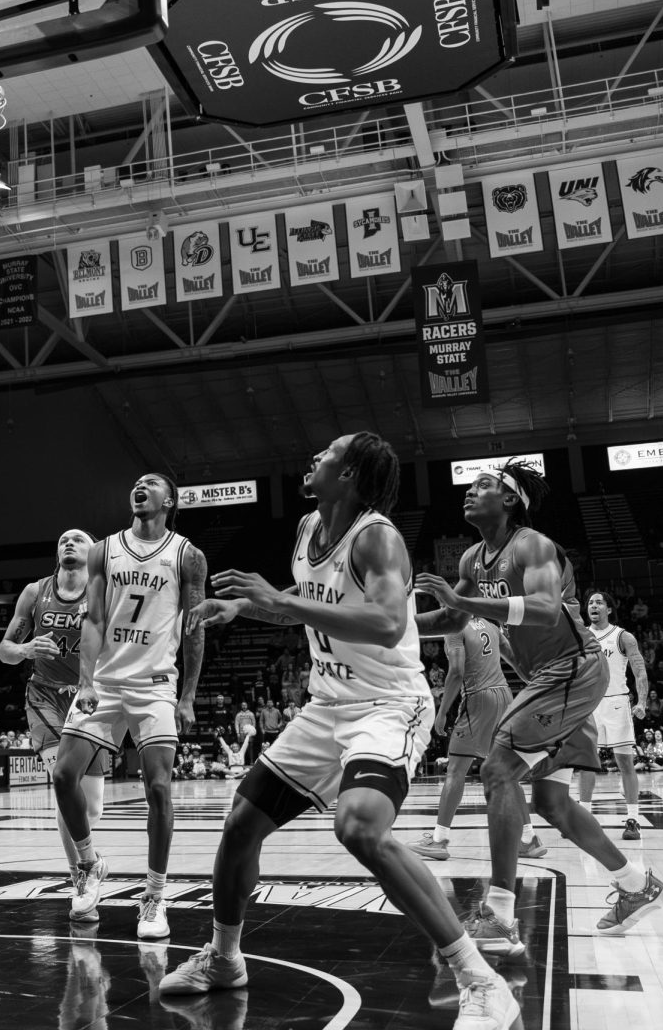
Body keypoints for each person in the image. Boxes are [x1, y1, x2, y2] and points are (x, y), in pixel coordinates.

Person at [159, 432, 518, 1030]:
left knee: (359, 826)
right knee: (241, 824)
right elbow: (305, 596)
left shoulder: (377, 537)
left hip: (387, 705)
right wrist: (249, 607)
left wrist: (278, 600)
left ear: (349, 474)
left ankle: (480, 980)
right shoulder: (306, 530)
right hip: (326, 706)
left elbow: (383, 621)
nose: (313, 459)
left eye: (326, 454)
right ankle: (223, 959)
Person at [415, 460, 663, 955]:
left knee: (497, 769)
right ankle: (637, 883)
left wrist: (469, 604)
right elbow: (450, 615)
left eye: (483, 485)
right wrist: (379, 625)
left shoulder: (533, 545)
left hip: (573, 669)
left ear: (509, 499)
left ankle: (501, 914)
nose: (470, 491)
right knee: (550, 803)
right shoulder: (471, 560)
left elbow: (548, 608)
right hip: (550, 680)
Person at [52, 473, 206, 940]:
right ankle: (88, 865)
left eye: (152, 483)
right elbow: (95, 617)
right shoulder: (104, 550)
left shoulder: (187, 555)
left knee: (158, 789)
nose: (140, 486)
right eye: (137, 482)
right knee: (62, 776)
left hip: (156, 682)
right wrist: (85, 679)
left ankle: (155, 896)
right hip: (105, 679)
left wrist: (188, 695)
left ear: (169, 500)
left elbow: (196, 626)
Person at [0, 529, 111, 883]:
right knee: (65, 784)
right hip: (45, 697)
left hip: (89, 698)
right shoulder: (35, 592)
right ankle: (80, 871)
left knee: (92, 807)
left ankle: (85, 858)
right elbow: (5, 651)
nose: (69, 543)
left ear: (93, 552)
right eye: (64, 539)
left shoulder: (104, 592)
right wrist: (26, 648)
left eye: (78, 539)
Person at [409, 616, 546, 861]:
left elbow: (457, 672)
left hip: (478, 698)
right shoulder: (492, 626)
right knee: (507, 771)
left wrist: (441, 714)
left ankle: (439, 839)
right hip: (505, 694)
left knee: (455, 769)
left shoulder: (454, 627)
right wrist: (535, 683)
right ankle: (529, 839)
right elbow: (515, 659)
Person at [575, 591, 648, 839]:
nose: (593, 606)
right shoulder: (581, 635)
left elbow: (639, 671)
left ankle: (633, 820)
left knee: (625, 762)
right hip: (589, 704)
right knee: (586, 763)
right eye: (590, 603)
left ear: (608, 609)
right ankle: (583, 818)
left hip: (617, 702)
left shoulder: (622, 636)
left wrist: (642, 702)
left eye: (598, 602)